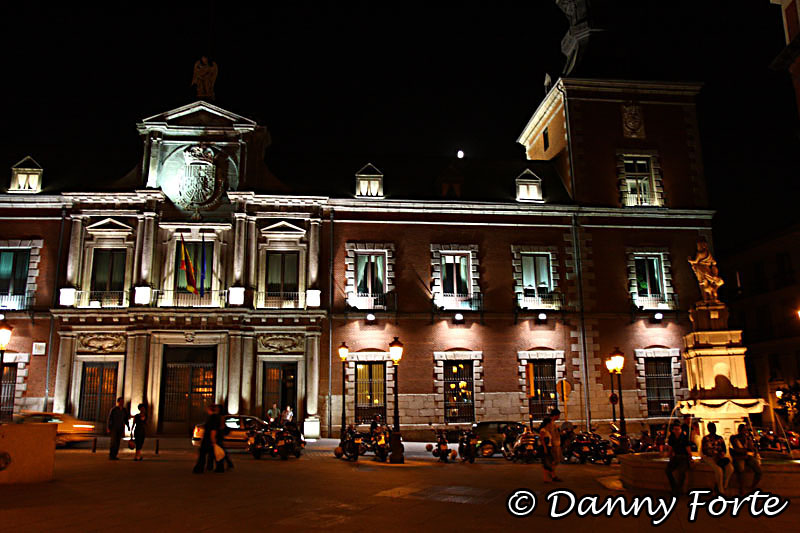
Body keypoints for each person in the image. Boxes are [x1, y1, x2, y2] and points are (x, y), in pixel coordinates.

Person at [701, 422, 733, 495]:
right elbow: (704, 450)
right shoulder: (705, 438)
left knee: (730, 469)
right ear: (709, 429)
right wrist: (713, 455)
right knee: (719, 470)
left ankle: (725, 485)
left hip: (719, 457)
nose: (713, 429)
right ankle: (720, 489)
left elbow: (724, 449)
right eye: (712, 428)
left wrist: (722, 453)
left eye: (714, 428)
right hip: (710, 457)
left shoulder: (720, 438)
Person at [730, 424, 762, 495]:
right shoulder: (734, 438)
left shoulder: (747, 438)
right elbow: (737, 449)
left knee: (759, 471)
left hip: (747, 457)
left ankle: (752, 487)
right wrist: (746, 450)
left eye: (745, 430)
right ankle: (742, 488)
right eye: (743, 430)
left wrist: (751, 449)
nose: (745, 431)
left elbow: (751, 448)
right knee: (741, 470)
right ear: (739, 430)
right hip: (739, 457)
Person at [193, 404, 222, 474]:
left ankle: (200, 468)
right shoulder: (214, 417)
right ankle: (218, 467)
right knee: (213, 453)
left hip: (208, 439)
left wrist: (213, 439)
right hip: (209, 439)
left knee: (203, 454)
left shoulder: (213, 418)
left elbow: (213, 430)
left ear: (210, 409)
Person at [665, 422, 691, 496]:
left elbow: (688, 449)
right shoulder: (671, 437)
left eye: (678, 429)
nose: (677, 431)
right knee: (668, 471)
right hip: (676, 457)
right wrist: (669, 456)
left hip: (684, 457)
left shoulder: (684, 437)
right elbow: (671, 448)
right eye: (676, 429)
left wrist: (690, 458)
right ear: (673, 430)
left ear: (681, 430)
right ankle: (674, 487)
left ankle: (678, 489)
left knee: (681, 472)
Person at [539, 417, 557, 482]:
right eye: (550, 423)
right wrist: (545, 448)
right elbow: (542, 439)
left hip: (549, 447)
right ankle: (546, 478)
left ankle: (549, 476)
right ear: (548, 423)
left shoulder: (547, 430)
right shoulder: (543, 430)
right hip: (546, 448)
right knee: (547, 463)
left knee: (550, 462)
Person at [548, 408, 563, 481]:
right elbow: (551, 434)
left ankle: (552, 474)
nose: (559, 417)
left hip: (555, 443)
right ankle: (552, 474)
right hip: (554, 444)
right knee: (555, 460)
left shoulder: (553, 423)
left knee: (555, 460)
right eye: (558, 416)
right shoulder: (551, 423)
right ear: (555, 415)